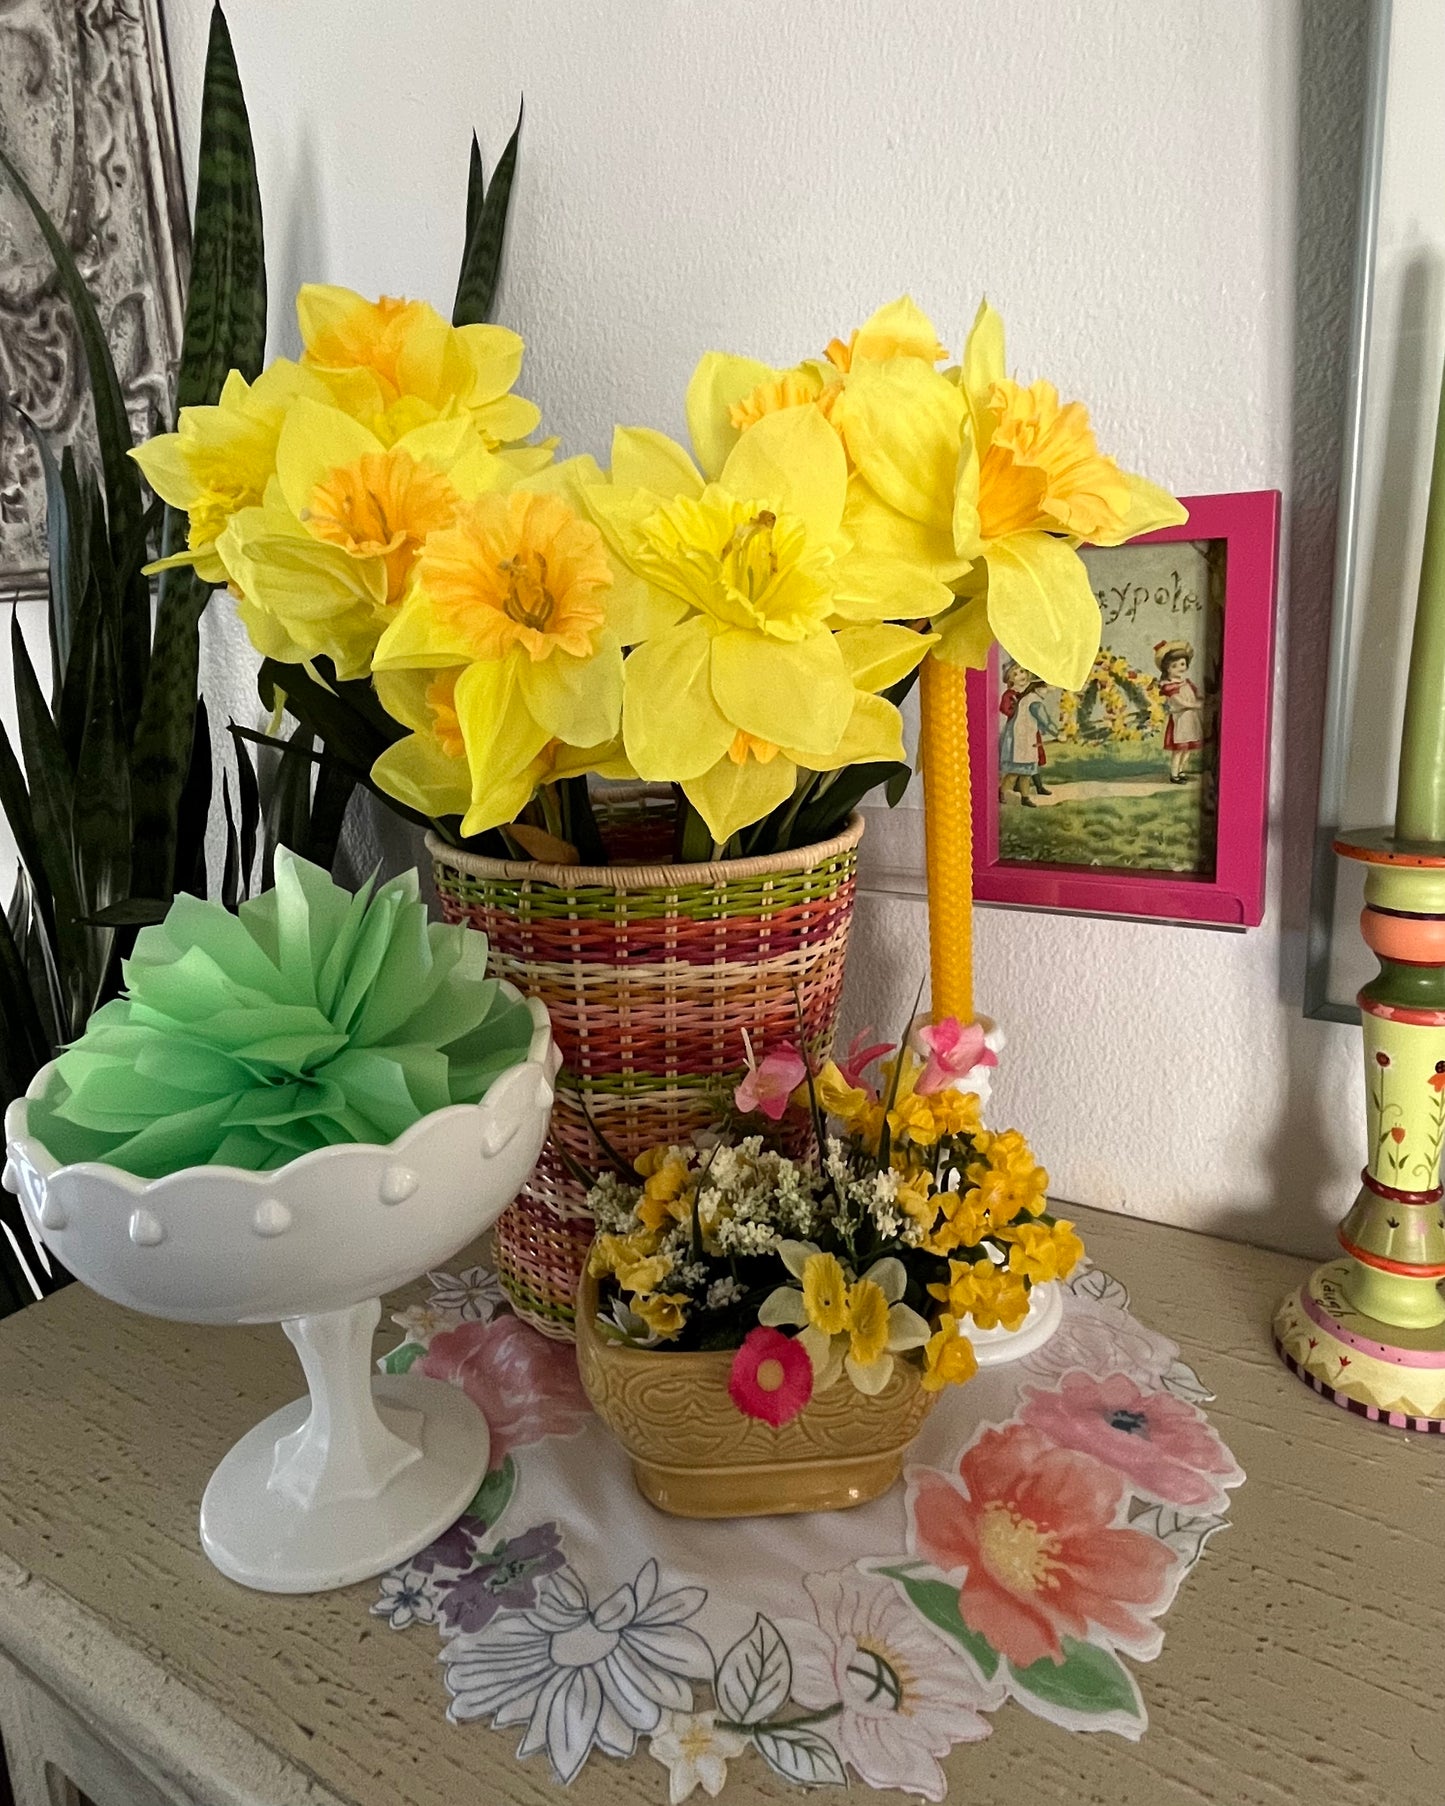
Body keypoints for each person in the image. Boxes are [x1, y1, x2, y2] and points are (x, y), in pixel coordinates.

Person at [998, 662, 1057, 807]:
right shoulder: (1017, 695)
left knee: (1026, 772)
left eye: (1022, 671)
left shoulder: (1029, 693)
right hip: (1018, 736)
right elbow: (1007, 709)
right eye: (1015, 674)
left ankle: (1025, 797)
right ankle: (1001, 791)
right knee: (1015, 773)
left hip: (1029, 733)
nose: (1021, 676)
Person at [1155, 639, 1204, 783]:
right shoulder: (1169, 686)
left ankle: (1182, 770)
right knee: (1178, 749)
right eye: (1174, 666)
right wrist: (1196, 705)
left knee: (1187, 749)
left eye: (1182, 664)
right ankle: (1174, 774)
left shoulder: (1186, 683)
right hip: (1180, 719)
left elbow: (1197, 695)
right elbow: (1179, 702)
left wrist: (1203, 700)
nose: (1180, 668)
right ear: (1167, 669)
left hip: (1190, 719)